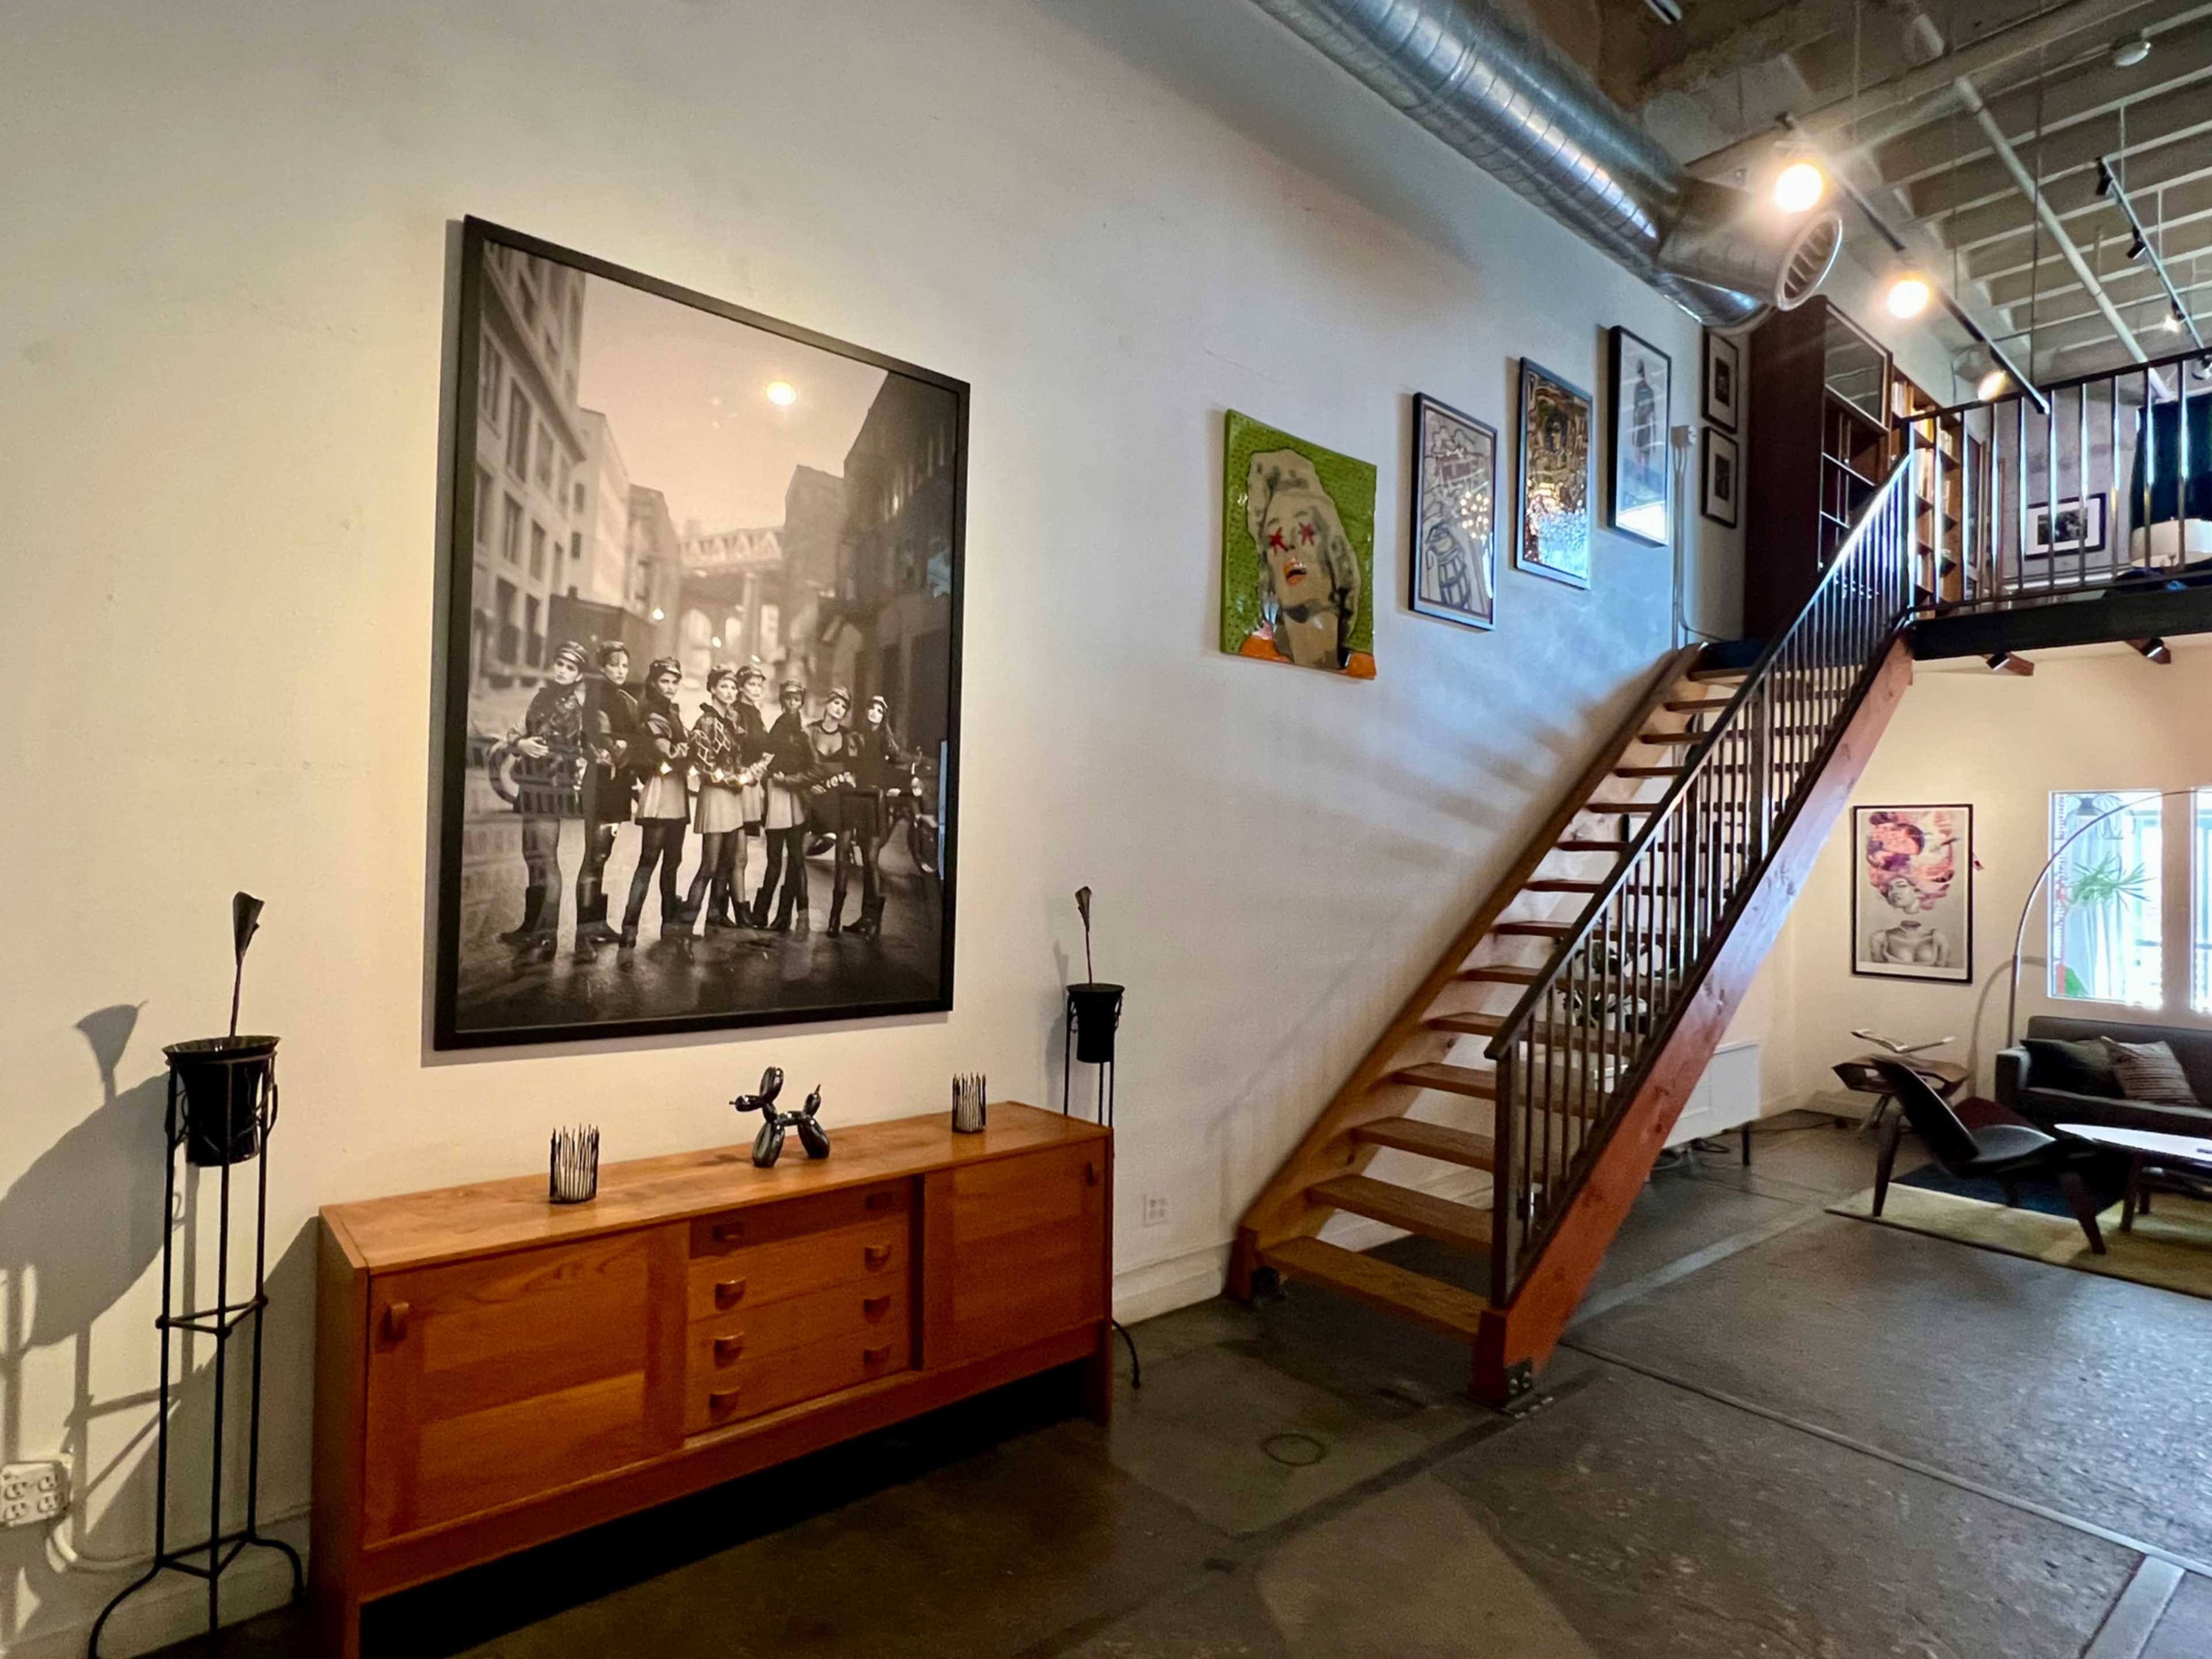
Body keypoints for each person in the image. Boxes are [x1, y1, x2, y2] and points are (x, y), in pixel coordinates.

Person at [497, 641, 588, 961]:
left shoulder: (572, 708)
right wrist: (521, 744)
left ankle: (547, 937)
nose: (562, 670)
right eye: (560, 664)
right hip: (531, 784)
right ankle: (530, 927)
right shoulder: (542, 697)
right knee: (531, 855)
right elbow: (514, 734)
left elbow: (566, 751)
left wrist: (525, 745)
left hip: (551, 787)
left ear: (579, 676)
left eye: (570, 667)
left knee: (547, 858)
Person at [679, 666, 763, 935]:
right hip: (716, 796)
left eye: (732, 687)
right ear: (713, 689)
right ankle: (687, 922)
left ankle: (715, 916)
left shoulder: (733, 720)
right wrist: (740, 779)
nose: (729, 691)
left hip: (733, 797)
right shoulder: (705, 722)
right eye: (723, 686)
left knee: (728, 861)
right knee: (710, 864)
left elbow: (737, 759)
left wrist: (747, 774)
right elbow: (704, 767)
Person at [573, 640, 639, 956]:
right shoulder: (595, 696)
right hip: (599, 785)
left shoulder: (627, 700)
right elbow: (592, 735)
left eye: (625, 665)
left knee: (605, 855)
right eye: (614, 664)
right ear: (602, 666)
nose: (620, 671)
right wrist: (613, 748)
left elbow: (634, 740)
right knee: (593, 857)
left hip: (618, 786)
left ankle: (597, 923)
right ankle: (582, 935)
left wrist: (627, 749)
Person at [619, 657, 690, 949]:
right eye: (665, 681)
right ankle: (630, 926)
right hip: (661, 791)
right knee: (649, 862)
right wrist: (691, 748)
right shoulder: (650, 711)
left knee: (672, 863)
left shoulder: (670, 710)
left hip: (676, 791)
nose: (670, 687)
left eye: (675, 682)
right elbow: (671, 754)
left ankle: (666, 924)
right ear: (653, 682)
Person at [835, 692, 906, 938]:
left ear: (884, 715)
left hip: (876, 803)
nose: (874, 713)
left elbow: (898, 768)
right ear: (866, 712)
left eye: (879, 710)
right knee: (865, 860)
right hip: (859, 800)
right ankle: (867, 918)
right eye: (871, 709)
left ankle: (873, 917)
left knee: (871, 860)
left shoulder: (888, 742)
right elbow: (852, 766)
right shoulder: (858, 737)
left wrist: (895, 786)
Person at [752, 679, 815, 932]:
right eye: (788, 699)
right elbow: (765, 760)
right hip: (776, 797)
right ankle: (760, 915)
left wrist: (791, 780)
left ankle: (790, 916)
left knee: (797, 859)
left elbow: (815, 769)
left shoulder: (804, 734)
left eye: (797, 699)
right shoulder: (776, 729)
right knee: (774, 859)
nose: (792, 704)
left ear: (802, 701)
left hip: (796, 798)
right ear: (782, 701)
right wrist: (767, 777)